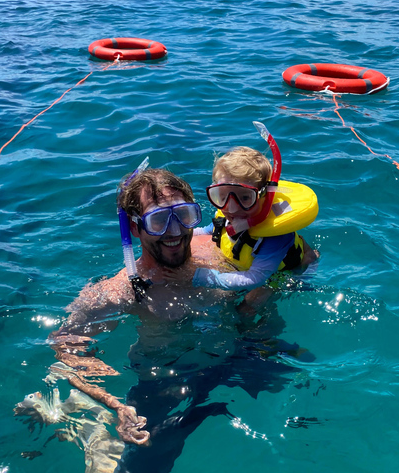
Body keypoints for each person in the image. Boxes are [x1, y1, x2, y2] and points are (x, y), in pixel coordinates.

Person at [50, 167, 306, 473]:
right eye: (158, 221)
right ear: (135, 228)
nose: (174, 232)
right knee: (143, 460)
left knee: (303, 408)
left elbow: (296, 264)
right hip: (166, 380)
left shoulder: (216, 249)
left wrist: (263, 295)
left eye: (183, 216)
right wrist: (116, 405)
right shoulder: (123, 291)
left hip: (239, 351)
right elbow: (65, 346)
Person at [190, 146, 318, 295]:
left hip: (284, 273)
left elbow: (256, 278)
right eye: (223, 196)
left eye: (245, 197)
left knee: (247, 309)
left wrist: (200, 276)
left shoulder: (275, 237)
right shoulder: (225, 217)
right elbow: (203, 231)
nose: (232, 208)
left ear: (264, 196)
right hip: (253, 267)